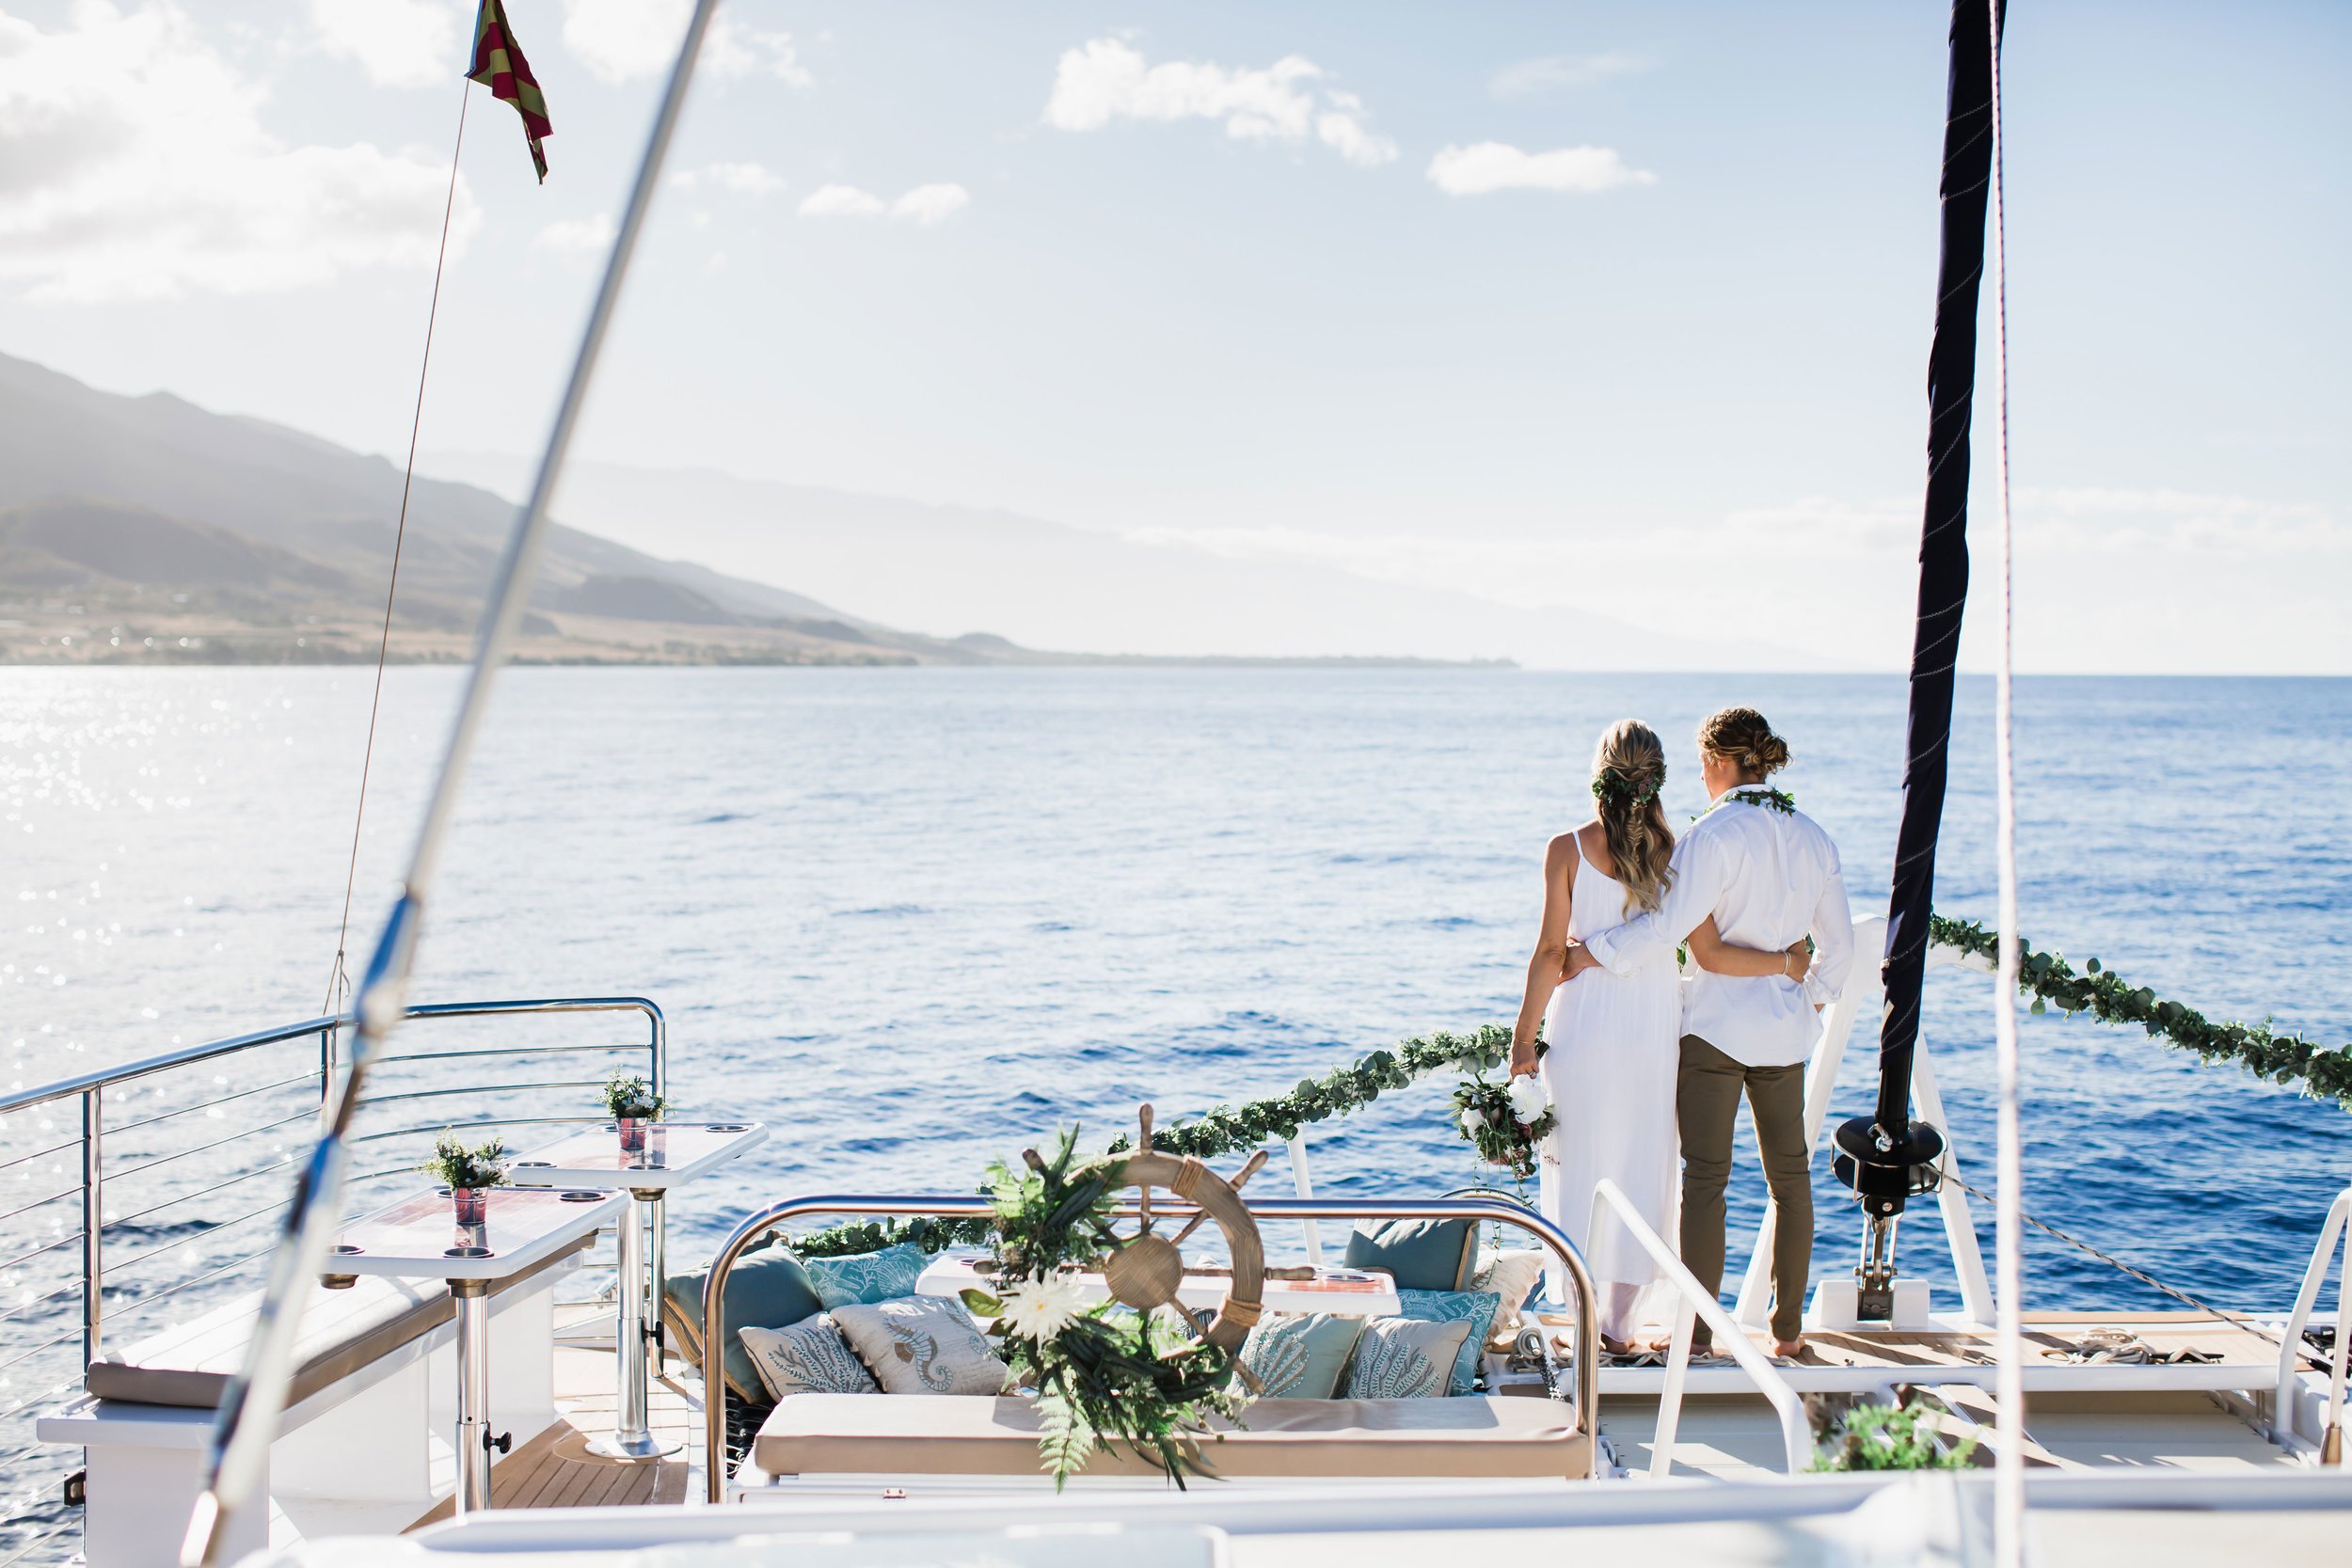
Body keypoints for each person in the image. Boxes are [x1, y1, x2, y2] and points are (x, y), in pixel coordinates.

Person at [1507, 719, 1809, 1354]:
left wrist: (1523, 1041)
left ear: (1600, 772)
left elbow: (1547, 954)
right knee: (1642, 1166)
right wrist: (1788, 962)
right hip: (1654, 1028)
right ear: (1655, 778)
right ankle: (1620, 1325)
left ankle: (1587, 1319)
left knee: (1585, 1161)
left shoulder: (1566, 849)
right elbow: (1704, 947)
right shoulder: (1680, 850)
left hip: (1585, 1023)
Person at [1565, 706, 1853, 1358]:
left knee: (1706, 1183)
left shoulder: (1711, 836)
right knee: (1790, 1180)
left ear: (1721, 762)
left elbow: (1667, 929)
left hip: (1716, 1033)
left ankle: (1696, 1336)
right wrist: (1806, 1002)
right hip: (1784, 1036)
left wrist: (1593, 952)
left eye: (1701, 764)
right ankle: (1786, 1332)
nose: (1699, 776)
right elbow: (1838, 949)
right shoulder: (1814, 837)